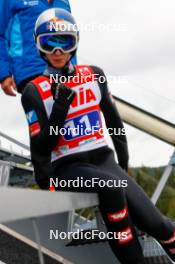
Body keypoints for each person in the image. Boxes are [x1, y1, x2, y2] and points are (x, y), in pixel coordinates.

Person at [21, 8, 175, 264]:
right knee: (111, 188)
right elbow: (41, 149)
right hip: (66, 168)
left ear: (76, 42)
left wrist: (123, 164)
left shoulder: (94, 75)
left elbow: (114, 123)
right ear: (39, 46)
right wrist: (60, 108)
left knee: (160, 225)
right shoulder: (33, 92)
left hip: (104, 162)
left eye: (65, 41)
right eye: (50, 43)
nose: (58, 51)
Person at [0, 0, 75, 96]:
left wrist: (74, 67)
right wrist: (4, 73)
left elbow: (71, 35)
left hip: (66, 71)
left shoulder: (64, 1)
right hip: (31, 71)